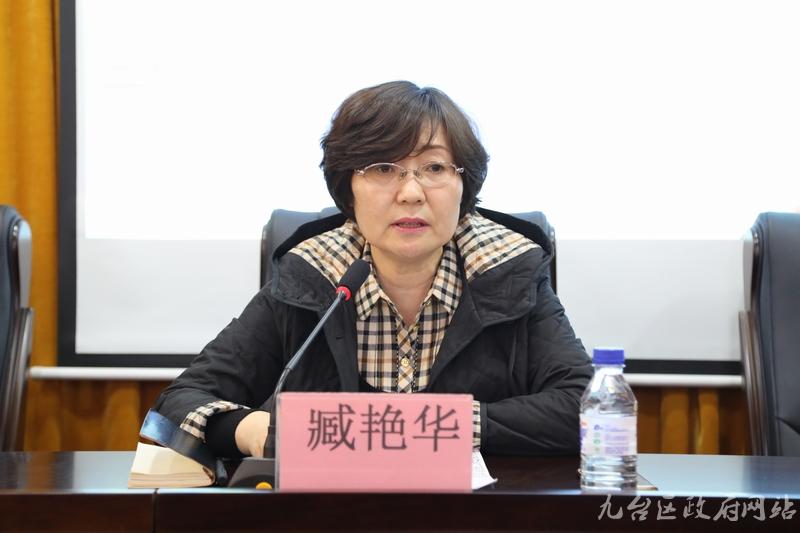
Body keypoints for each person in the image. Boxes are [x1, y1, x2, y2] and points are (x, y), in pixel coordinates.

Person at [154, 80, 592, 458]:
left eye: (434, 167)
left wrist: (433, 427)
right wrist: (255, 432)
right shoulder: (312, 274)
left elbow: (584, 409)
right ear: (348, 189)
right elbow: (180, 403)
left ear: (464, 186)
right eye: (384, 168)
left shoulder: (508, 270)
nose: (411, 193)